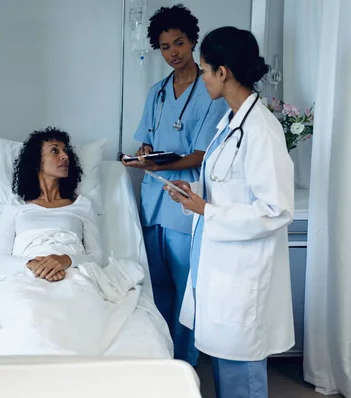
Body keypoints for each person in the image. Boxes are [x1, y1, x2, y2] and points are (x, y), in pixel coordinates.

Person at [165, 27, 295, 398]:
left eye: (205, 70)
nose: (202, 77)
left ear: (223, 72)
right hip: (220, 263)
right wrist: (196, 195)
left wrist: (207, 209)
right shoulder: (231, 123)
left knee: (242, 375)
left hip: (243, 273)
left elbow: (275, 210)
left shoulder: (261, 129)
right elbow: (227, 184)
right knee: (226, 367)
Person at [121, 4, 228, 367]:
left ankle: (184, 366)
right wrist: (144, 153)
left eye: (179, 43)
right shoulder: (158, 92)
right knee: (157, 291)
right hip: (154, 201)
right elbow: (146, 140)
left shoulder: (211, 90)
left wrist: (158, 163)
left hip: (186, 203)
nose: (173, 53)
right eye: (165, 47)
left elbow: (201, 155)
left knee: (187, 294)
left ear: (193, 41)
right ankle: (159, 361)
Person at [0, 128, 102, 281]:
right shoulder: (15, 206)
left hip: (72, 276)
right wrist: (32, 265)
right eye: (54, 151)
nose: (65, 156)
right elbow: (0, 261)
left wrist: (65, 260)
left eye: (65, 151)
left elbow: (97, 258)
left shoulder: (83, 205)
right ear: (37, 161)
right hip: (28, 277)